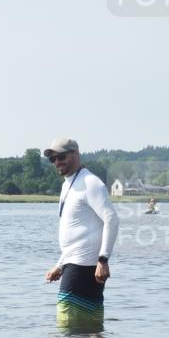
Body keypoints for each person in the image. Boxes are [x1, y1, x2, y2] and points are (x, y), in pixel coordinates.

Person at [43, 138, 119, 327]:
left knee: (67, 331)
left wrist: (103, 260)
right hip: (74, 263)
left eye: (61, 156)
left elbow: (112, 219)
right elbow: (79, 233)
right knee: (90, 332)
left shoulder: (90, 183)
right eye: (53, 159)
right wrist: (60, 265)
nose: (57, 162)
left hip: (85, 266)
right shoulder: (67, 184)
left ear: (75, 154)